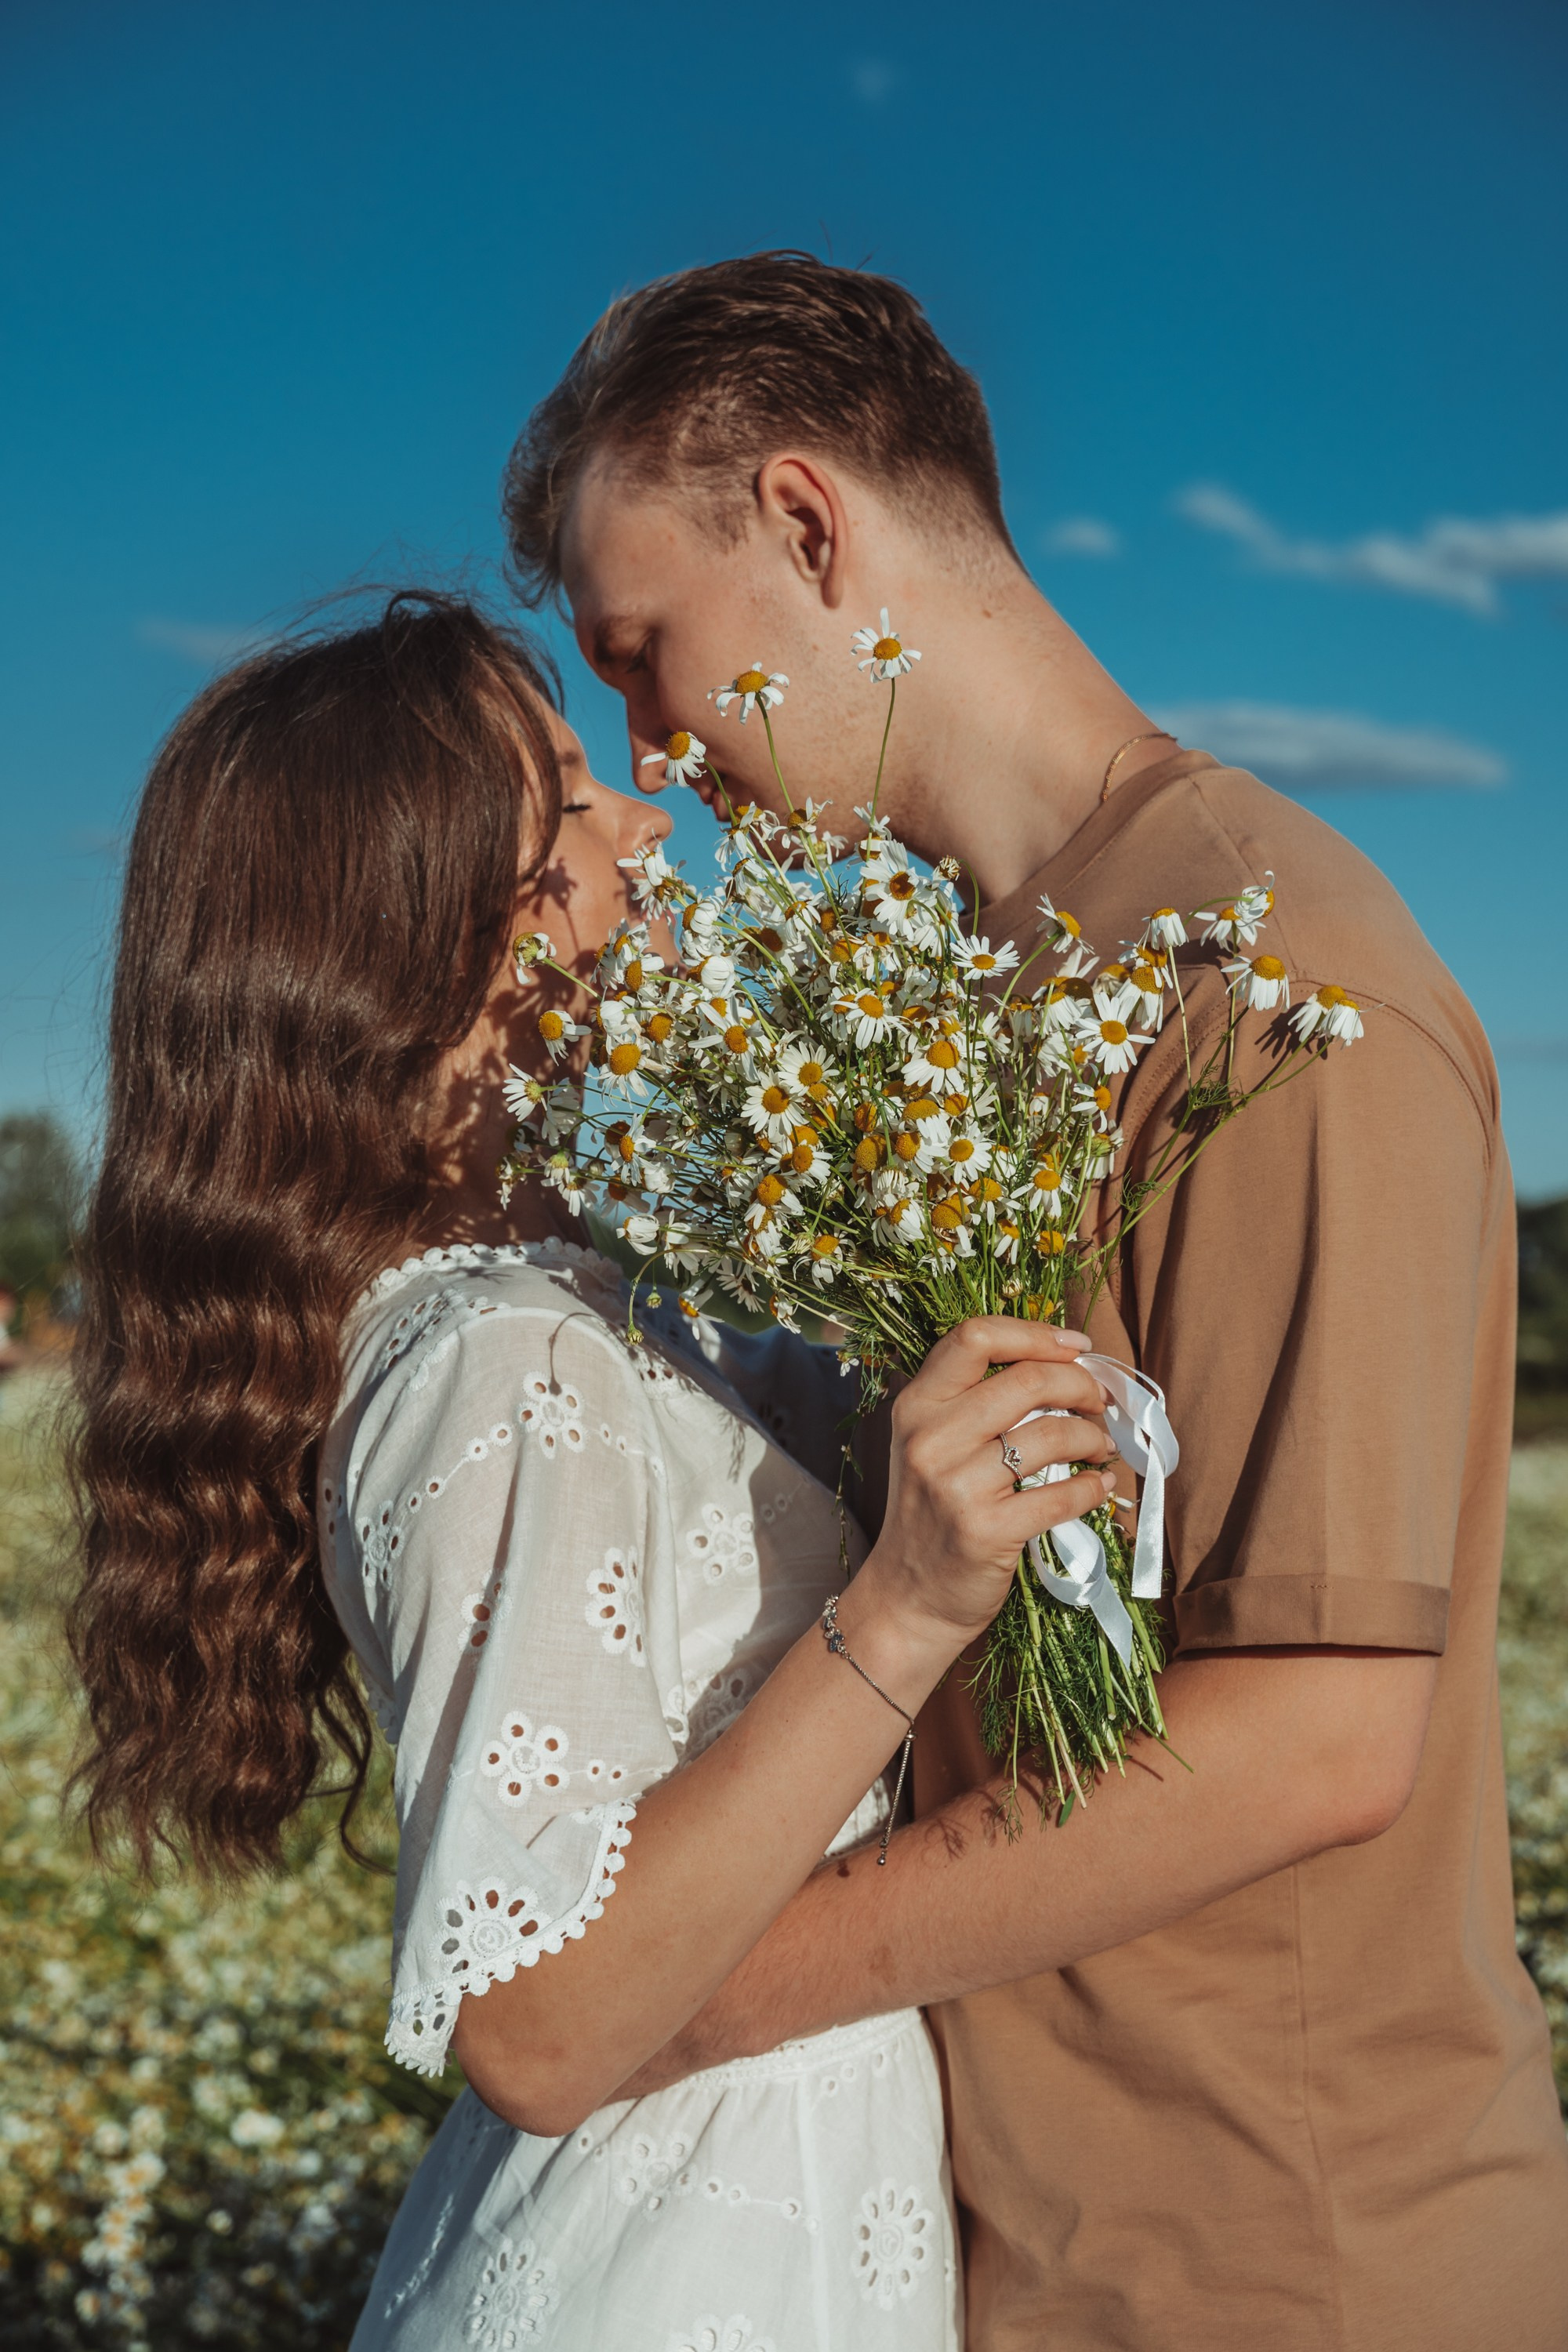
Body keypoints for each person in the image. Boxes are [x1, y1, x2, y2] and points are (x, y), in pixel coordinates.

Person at [501, 253, 1568, 2350]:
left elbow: (1322, 1736)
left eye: (644, 652)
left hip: (1286, 2263)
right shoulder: (993, 986)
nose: (649, 749)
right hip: (1032, 2253)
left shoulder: (1272, 988)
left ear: (808, 527)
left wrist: (676, 1998)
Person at [66, 591, 1120, 2350]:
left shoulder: (574, 1301)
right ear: (426, 929)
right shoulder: (500, 1358)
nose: (647, 815)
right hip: (692, 2260)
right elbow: (537, 2024)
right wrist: (913, 1605)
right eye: (566, 792)